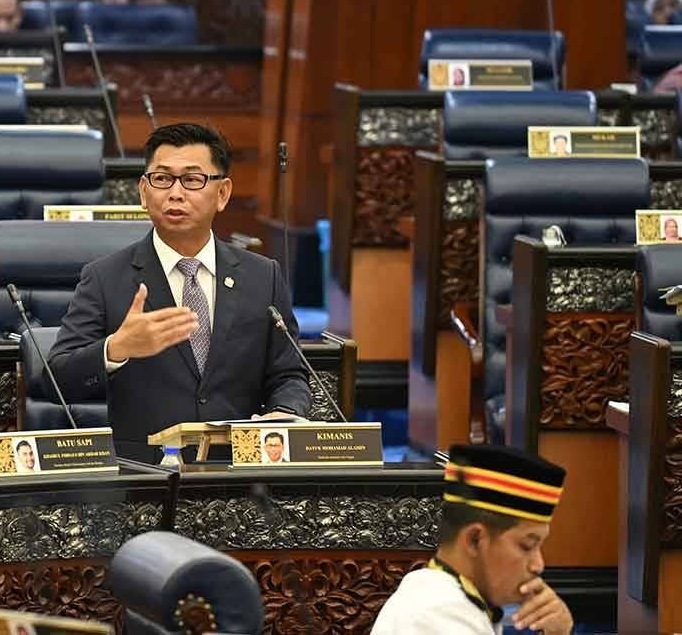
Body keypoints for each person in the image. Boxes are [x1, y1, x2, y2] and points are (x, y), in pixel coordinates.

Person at [47, 123, 310, 463]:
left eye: (192, 179)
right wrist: (116, 348)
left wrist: (284, 412)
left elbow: (289, 373)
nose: (175, 193)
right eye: (162, 179)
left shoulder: (263, 277)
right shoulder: (105, 277)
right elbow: (56, 379)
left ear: (223, 193)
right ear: (144, 192)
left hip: (239, 477)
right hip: (143, 482)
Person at [371, 444, 573, 635]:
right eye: (527, 546)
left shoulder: (449, 600)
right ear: (475, 539)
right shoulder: (437, 617)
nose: (538, 565)